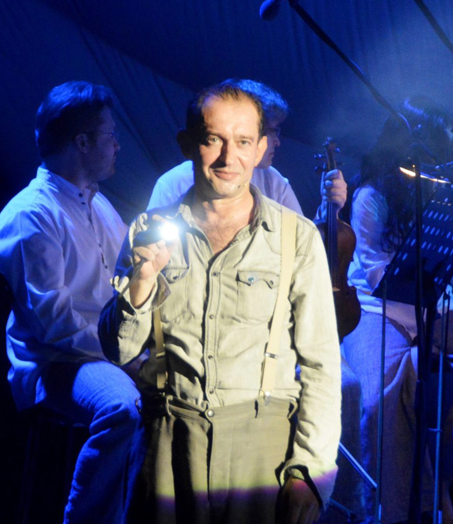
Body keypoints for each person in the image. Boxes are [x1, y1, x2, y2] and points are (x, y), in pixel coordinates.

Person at [99, 80, 342, 524]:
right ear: (187, 144)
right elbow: (119, 350)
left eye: (243, 142)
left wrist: (311, 469)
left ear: (261, 148)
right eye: (214, 140)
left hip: (261, 451)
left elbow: (322, 363)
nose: (229, 158)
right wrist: (142, 281)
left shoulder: (297, 238)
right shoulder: (148, 230)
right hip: (168, 441)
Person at [0, 81, 141, 524]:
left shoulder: (100, 206)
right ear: (82, 142)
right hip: (57, 363)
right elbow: (55, 325)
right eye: (110, 135)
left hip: (105, 351)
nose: (117, 145)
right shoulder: (32, 214)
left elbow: (128, 285)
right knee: (122, 405)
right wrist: (125, 355)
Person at [343, 96, 453, 523]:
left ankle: (440, 496)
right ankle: (387, 511)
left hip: (431, 311)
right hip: (378, 312)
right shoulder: (370, 196)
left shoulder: (440, 193)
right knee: (376, 402)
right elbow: (376, 275)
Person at [147, 79, 347, 217]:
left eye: (242, 141)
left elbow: (301, 246)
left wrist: (329, 211)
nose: (276, 142)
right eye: (272, 131)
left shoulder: (273, 181)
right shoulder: (173, 185)